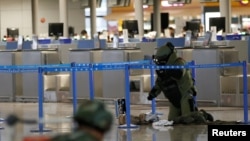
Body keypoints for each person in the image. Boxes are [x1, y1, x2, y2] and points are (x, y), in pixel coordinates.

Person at [147, 42, 213, 123]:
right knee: (171, 121)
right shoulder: (162, 68)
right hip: (173, 98)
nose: (160, 63)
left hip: (185, 95)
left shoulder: (179, 62)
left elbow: (179, 73)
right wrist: (153, 94)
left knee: (189, 119)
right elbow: (159, 83)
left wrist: (167, 71)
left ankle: (203, 114)